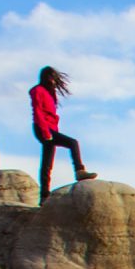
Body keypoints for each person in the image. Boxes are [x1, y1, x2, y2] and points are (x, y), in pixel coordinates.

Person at [30, 66, 96, 205]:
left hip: (50, 129)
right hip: (42, 128)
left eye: (54, 78)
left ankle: (44, 196)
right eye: (51, 77)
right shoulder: (37, 90)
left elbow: (52, 116)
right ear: (46, 77)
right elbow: (38, 112)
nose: (53, 80)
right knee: (73, 143)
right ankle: (79, 171)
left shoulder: (50, 93)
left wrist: (52, 131)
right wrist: (46, 132)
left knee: (47, 163)